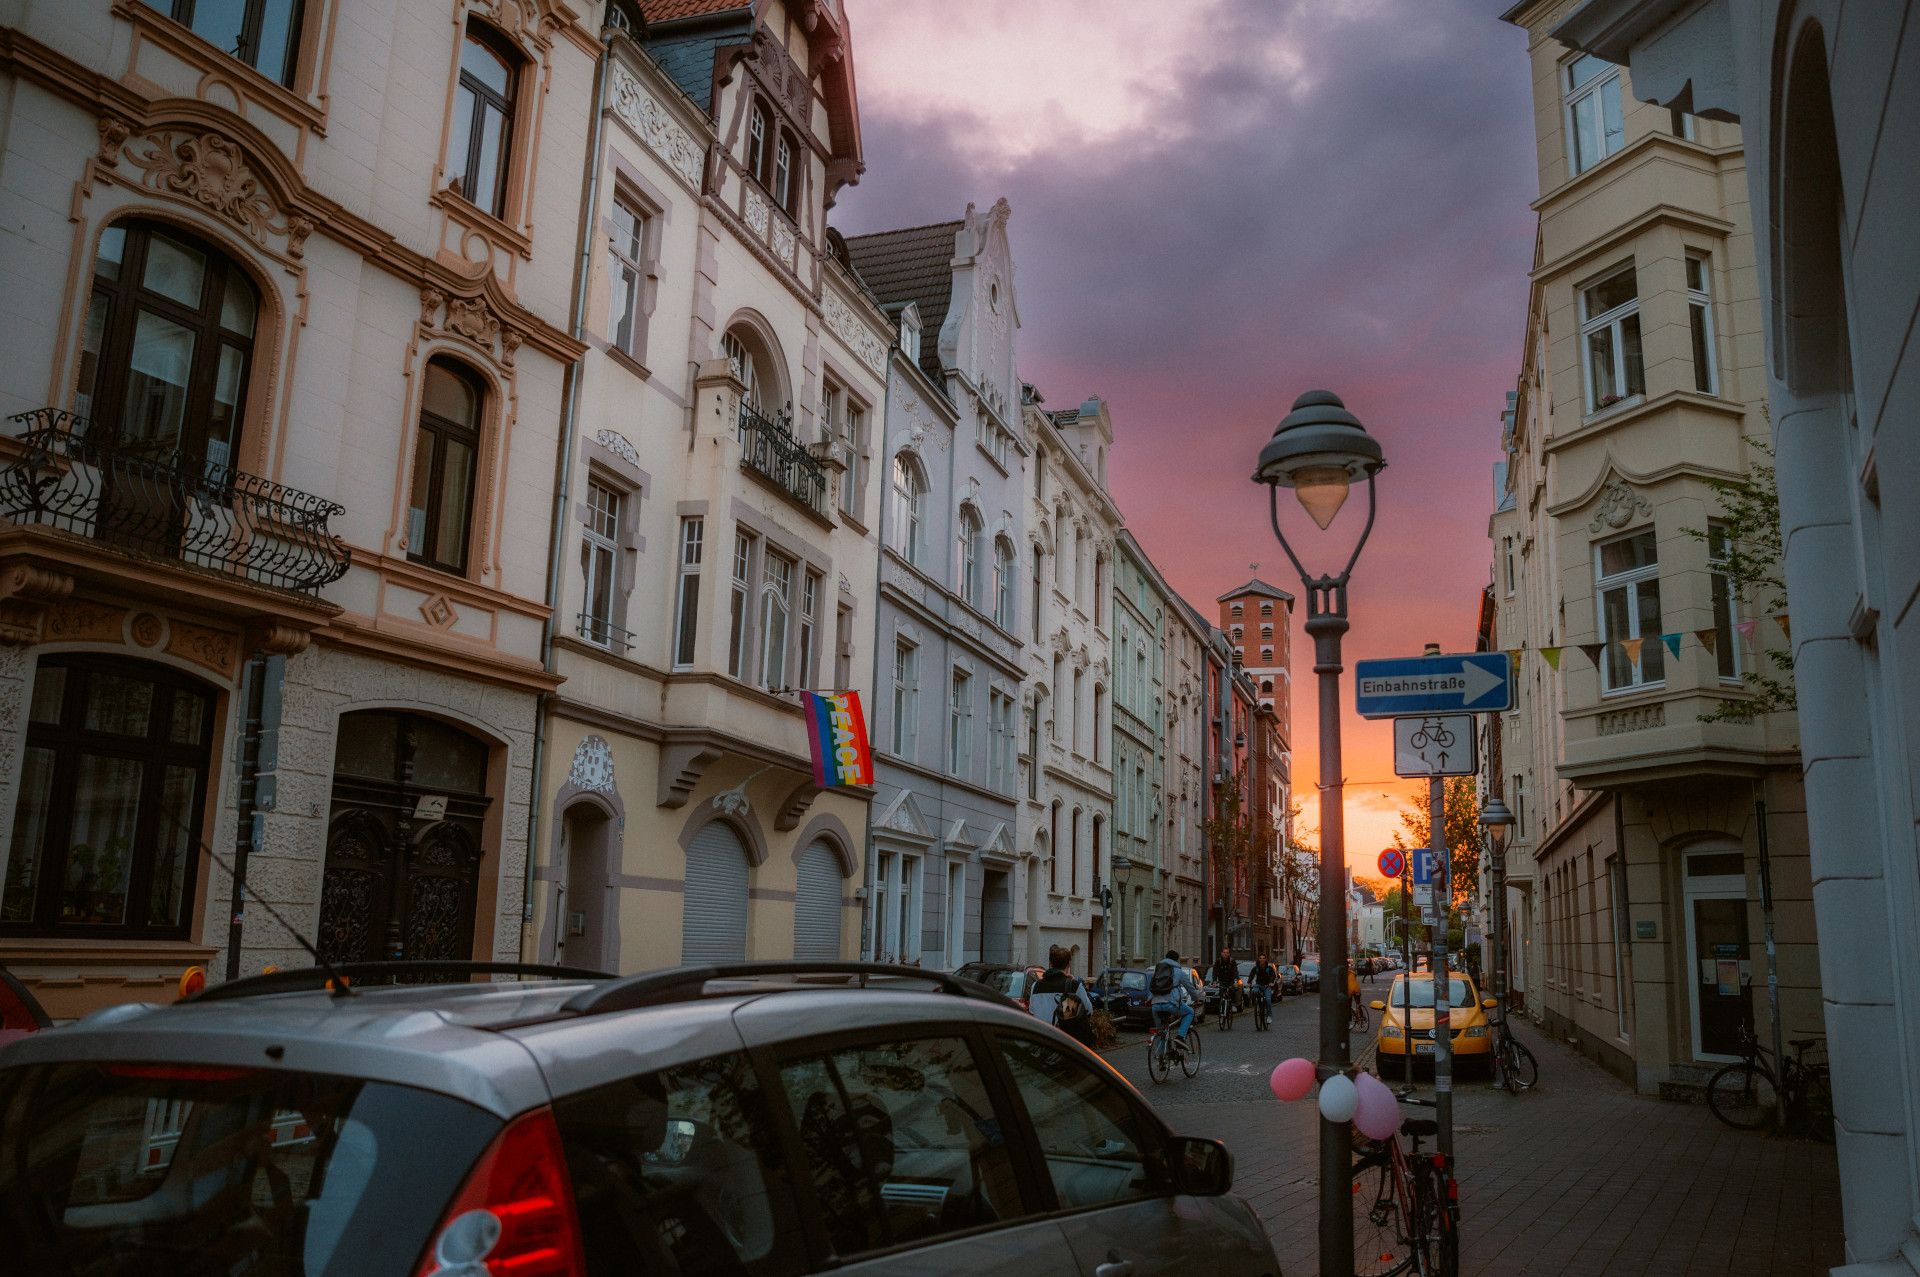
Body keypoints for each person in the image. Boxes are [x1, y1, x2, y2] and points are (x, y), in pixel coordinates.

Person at [1029, 945, 1095, 1047]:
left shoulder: (1036, 986)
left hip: (1042, 1042)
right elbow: (1089, 1011)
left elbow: (1032, 1012)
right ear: (1068, 965)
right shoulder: (1073, 986)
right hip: (1065, 1043)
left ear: (1050, 964)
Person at [1149, 948, 1199, 1050]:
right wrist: (1196, 999)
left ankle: (1160, 1060)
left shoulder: (1158, 970)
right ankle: (1180, 1037)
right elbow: (1190, 988)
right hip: (1171, 1004)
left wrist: (1149, 999)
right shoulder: (1179, 972)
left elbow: (1153, 986)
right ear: (1177, 960)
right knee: (1189, 1012)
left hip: (1155, 1005)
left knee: (1161, 1032)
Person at [1251, 952, 1279, 1018]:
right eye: (1260, 958)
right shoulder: (1256, 968)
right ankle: (1257, 1004)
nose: (1262, 960)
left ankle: (1269, 1015)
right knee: (1254, 991)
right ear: (1258, 959)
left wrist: (1271, 982)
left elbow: (1273, 976)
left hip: (1267, 986)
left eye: (1263, 958)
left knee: (1268, 1000)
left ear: (1266, 959)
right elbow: (1251, 975)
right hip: (1258, 985)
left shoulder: (1269, 968)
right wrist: (1249, 982)